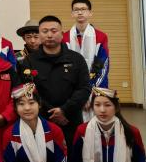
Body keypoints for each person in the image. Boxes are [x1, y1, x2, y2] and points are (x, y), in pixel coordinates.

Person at [18, 15, 92, 143]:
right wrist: (53, 114)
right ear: (40, 34)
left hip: (70, 119)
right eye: (45, 31)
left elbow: (84, 88)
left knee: (73, 152)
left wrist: (64, 110)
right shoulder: (29, 61)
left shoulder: (76, 59)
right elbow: (28, 90)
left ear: (62, 34)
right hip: (41, 120)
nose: (49, 35)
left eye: (53, 31)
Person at [64, 0, 110, 92]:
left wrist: (91, 87)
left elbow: (103, 64)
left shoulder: (101, 36)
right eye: (76, 10)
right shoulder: (64, 37)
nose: (80, 12)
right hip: (71, 87)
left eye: (83, 9)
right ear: (72, 14)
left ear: (90, 13)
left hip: (96, 86)